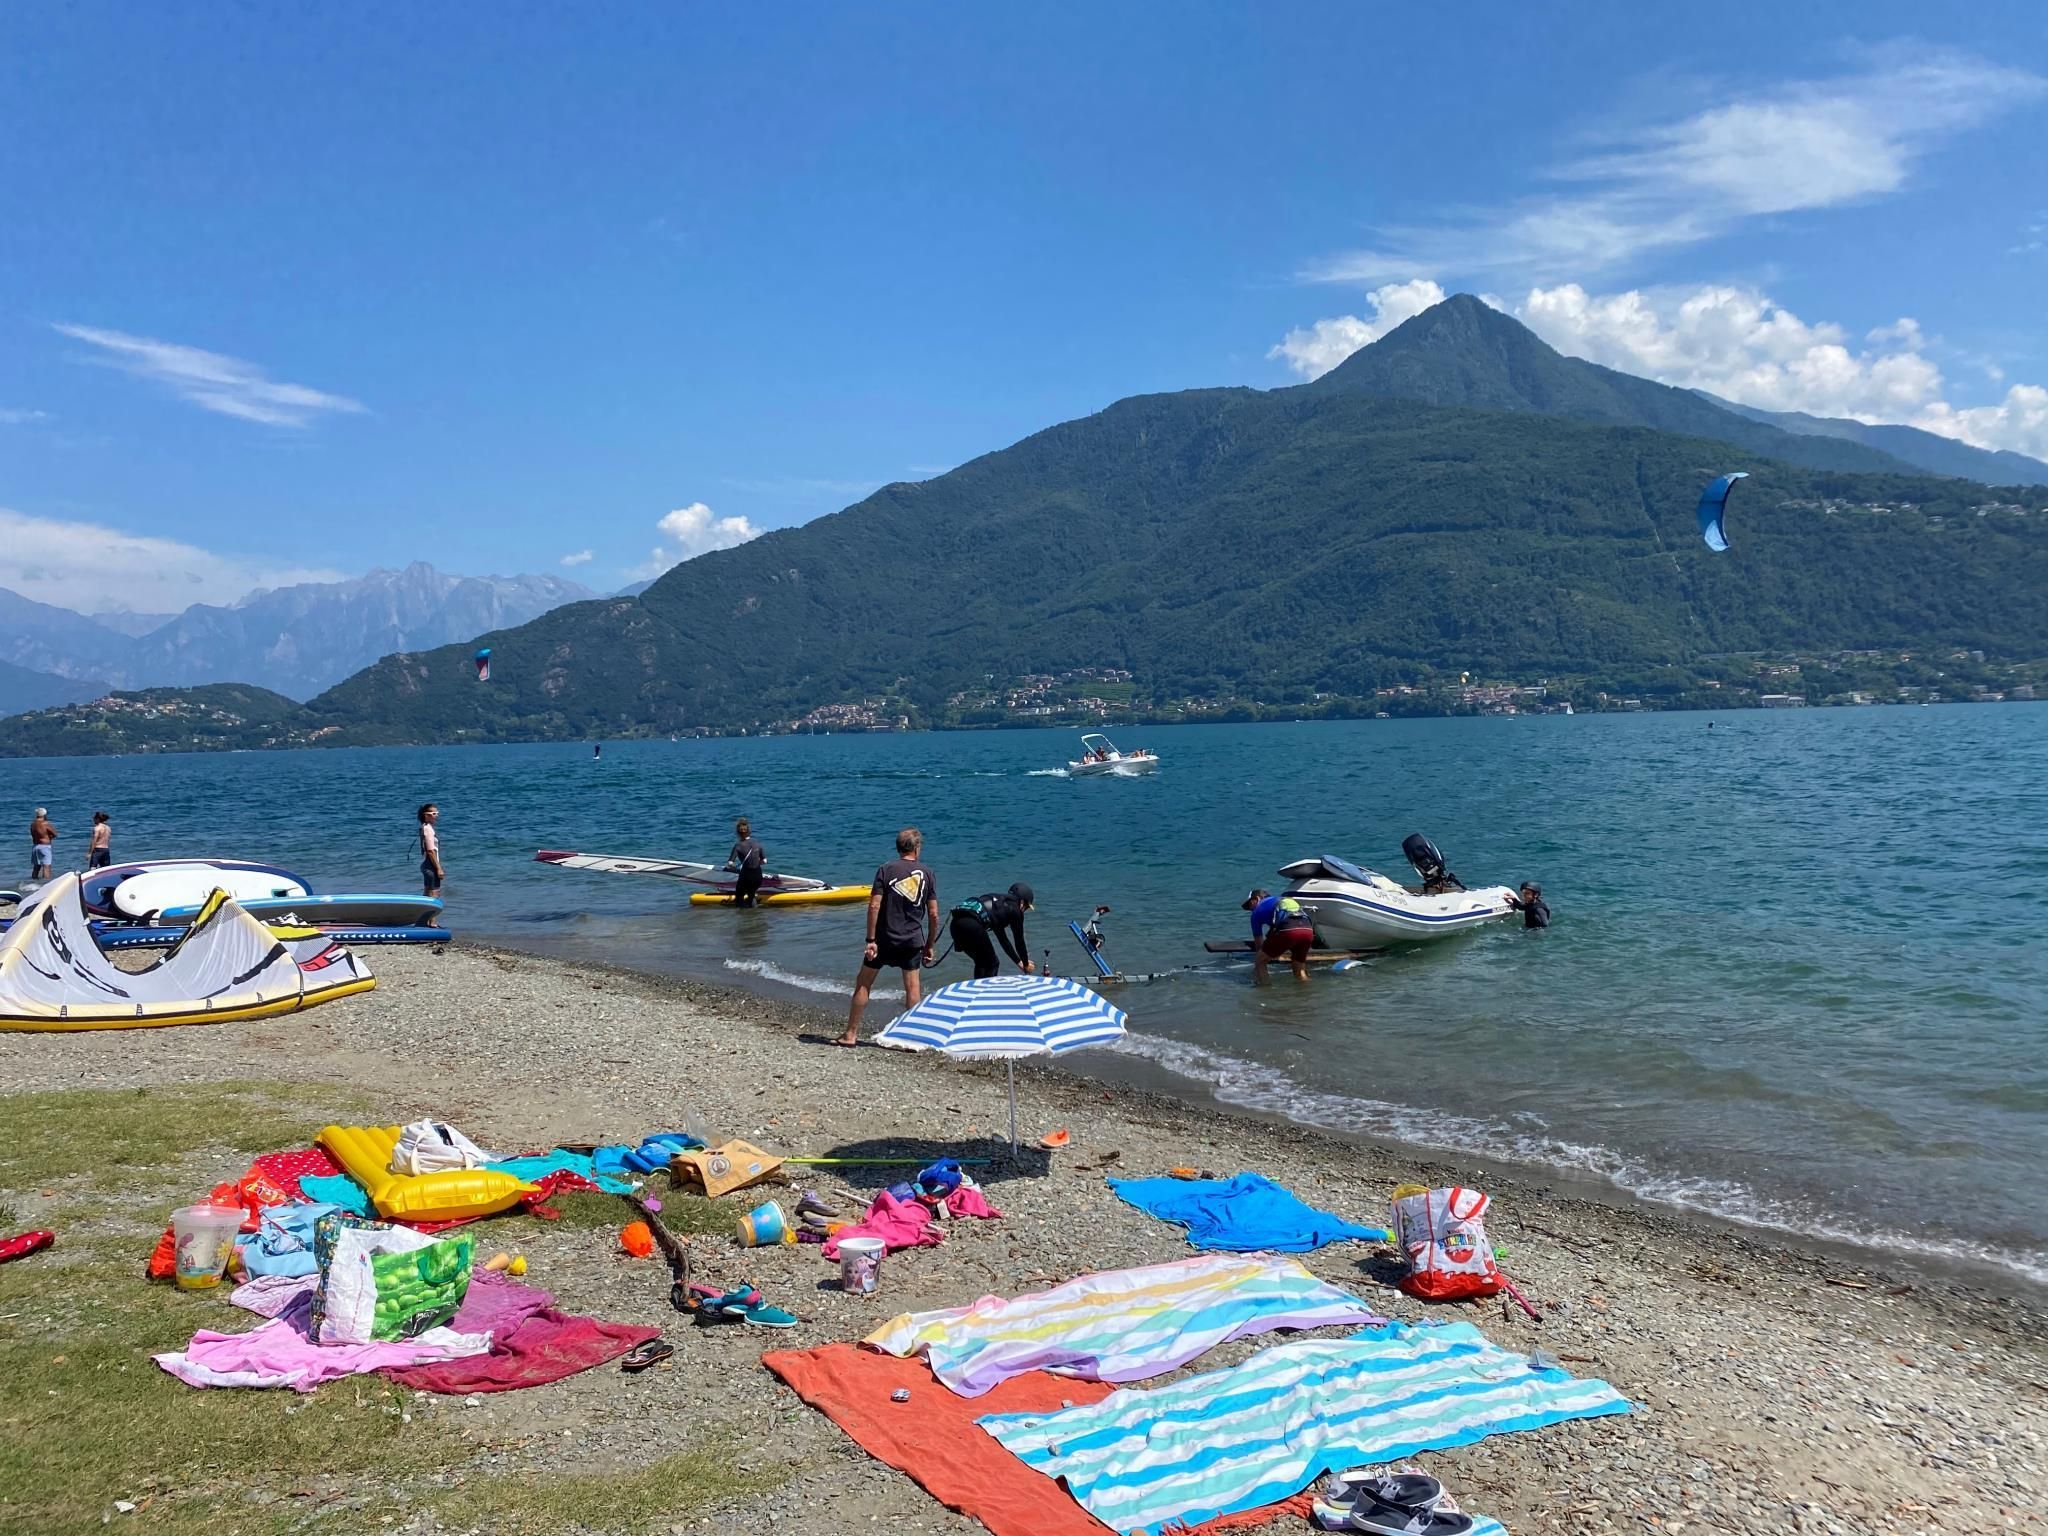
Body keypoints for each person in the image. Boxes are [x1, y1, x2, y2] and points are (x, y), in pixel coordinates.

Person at [840, 827, 938, 1047]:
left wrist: (870, 940)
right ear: (917, 847)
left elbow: (874, 906)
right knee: (912, 988)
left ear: (898, 847)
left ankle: (851, 1034)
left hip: (884, 938)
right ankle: (912, 1040)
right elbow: (933, 914)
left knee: (864, 982)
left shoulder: (885, 869)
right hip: (912, 940)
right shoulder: (928, 873)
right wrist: (929, 944)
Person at [950, 882, 1036, 979]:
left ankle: (978, 986)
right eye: (1026, 907)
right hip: (972, 925)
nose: (1024, 911)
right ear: (1022, 902)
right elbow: (1019, 942)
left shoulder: (998, 905)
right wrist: (1026, 964)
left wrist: (1019, 962)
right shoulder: (1015, 909)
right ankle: (985, 988)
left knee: (982, 962)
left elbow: (1003, 940)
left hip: (955, 925)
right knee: (991, 963)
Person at [1242, 886, 1315, 985]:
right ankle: (1308, 990)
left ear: (1258, 898)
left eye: (1250, 904)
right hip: (1308, 929)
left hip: (1288, 928)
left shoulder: (1256, 912)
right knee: (1298, 966)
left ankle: (1265, 990)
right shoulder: (1280, 900)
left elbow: (1259, 942)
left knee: (1260, 961)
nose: (1250, 909)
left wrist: (1261, 960)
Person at [725, 817, 766, 907]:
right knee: (751, 894)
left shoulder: (738, 845)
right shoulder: (757, 842)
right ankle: (754, 912)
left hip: (746, 876)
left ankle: (744, 914)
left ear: (738, 832)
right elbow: (764, 861)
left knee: (739, 896)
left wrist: (733, 868)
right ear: (749, 830)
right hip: (758, 876)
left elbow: (730, 863)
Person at [417, 803, 444, 924]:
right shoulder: (428, 829)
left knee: (427, 893)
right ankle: (432, 922)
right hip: (430, 865)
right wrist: (438, 868)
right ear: (426, 815)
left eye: (437, 813)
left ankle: (423, 921)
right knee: (434, 894)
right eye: (434, 814)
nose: (436, 816)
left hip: (426, 865)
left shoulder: (424, 827)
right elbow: (430, 851)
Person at [27, 807, 56, 884]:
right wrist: (50, 837)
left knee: (36, 867)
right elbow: (55, 833)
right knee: (46, 867)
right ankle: (46, 884)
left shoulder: (33, 824)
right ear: (44, 815)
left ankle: (33, 884)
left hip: (35, 846)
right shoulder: (45, 823)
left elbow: (33, 835)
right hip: (45, 846)